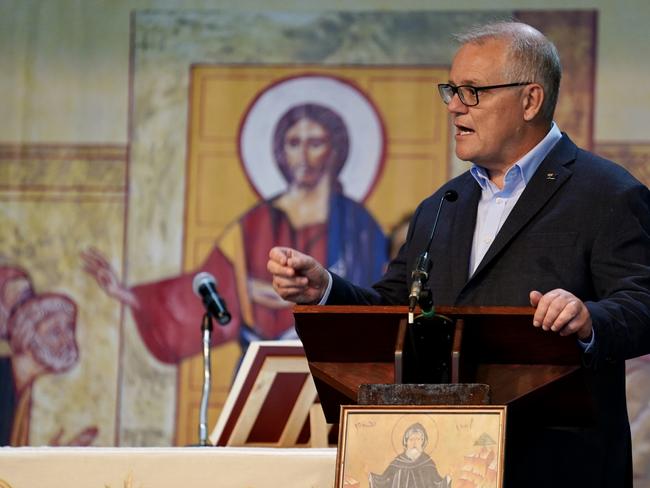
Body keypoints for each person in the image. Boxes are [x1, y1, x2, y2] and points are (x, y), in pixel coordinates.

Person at [267, 21, 650, 488]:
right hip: (449, 465)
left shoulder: (606, 192)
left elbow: (642, 302)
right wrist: (325, 289)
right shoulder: (442, 205)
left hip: (559, 466)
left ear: (530, 100)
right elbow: (395, 309)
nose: (453, 106)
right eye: (451, 90)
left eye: (472, 92)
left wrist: (589, 319)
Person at [83, 103, 387, 363]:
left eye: (316, 143)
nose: (304, 155)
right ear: (280, 151)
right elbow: (211, 286)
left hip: (337, 365)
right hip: (264, 369)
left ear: (335, 151)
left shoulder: (359, 225)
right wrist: (130, 296)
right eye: (294, 143)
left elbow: (377, 301)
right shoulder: (253, 224)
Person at [0, 265, 82, 445]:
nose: (67, 341)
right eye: (54, 332)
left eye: (69, 328)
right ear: (26, 335)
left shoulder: (22, 387)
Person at [369, 422, 451, 488]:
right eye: (411, 439)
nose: (414, 443)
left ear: (423, 442)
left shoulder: (428, 462)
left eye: (418, 439)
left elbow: (437, 483)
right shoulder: (398, 462)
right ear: (406, 442)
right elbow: (384, 480)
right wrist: (372, 478)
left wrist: (446, 480)